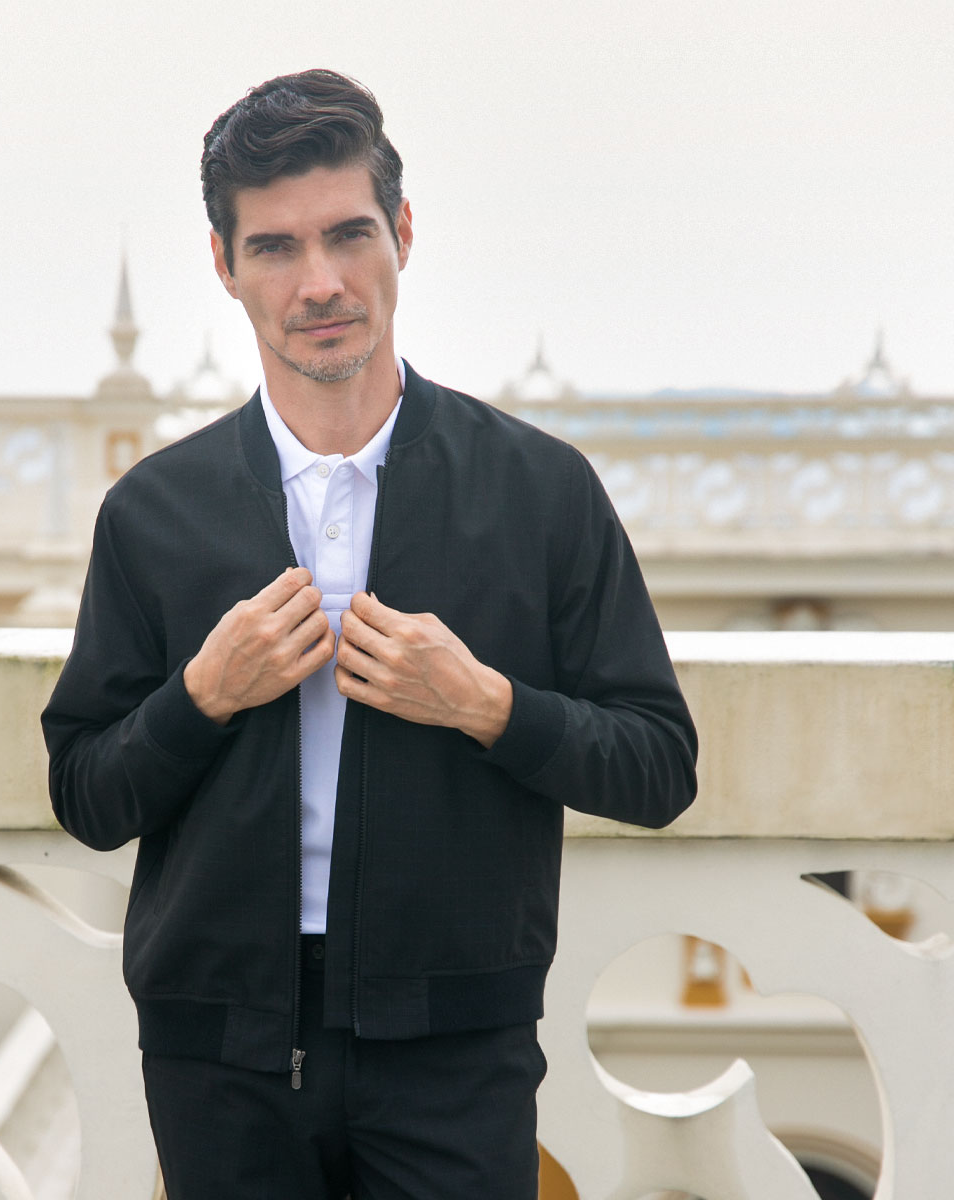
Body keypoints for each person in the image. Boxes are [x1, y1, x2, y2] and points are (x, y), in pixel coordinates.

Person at [42, 68, 697, 1200]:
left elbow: (659, 765)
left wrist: (486, 704)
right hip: (218, 1054)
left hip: (458, 1049)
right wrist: (201, 695)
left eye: (349, 234)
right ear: (224, 265)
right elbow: (87, 796)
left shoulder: (540, 492)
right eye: (275, 247)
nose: (321, 283)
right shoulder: (153, 512)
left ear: (403, 233)